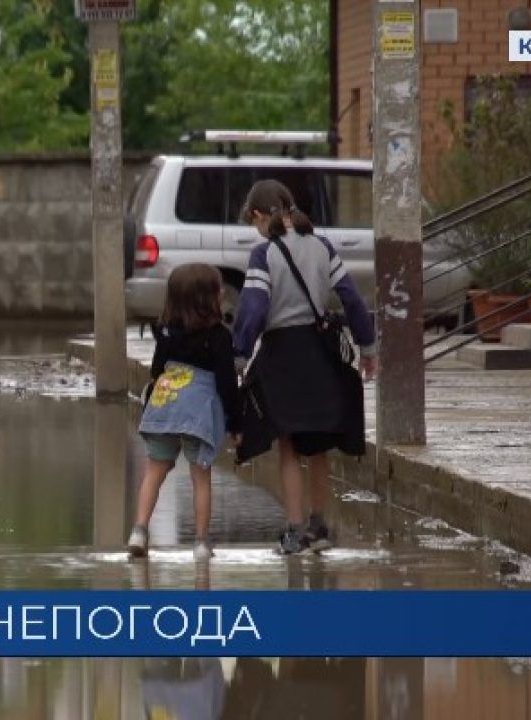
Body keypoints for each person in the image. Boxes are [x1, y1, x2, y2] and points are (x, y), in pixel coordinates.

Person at [232, 179, 376, 555]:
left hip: (283, 355)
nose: (257, 229)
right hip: (320, 351)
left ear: (260, 216)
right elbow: (351, 299)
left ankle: (294, 531)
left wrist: (240, 353)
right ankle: (319, 527)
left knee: (289, 447)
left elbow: (254, 307)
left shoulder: (264, 253)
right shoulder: (323, 246)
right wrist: (368, 344)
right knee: (319, 448)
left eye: (254, 222)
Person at [127, 263, 242, 561]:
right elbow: (227, 383)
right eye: (218, 292)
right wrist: (236, 422)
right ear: (209, 299)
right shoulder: (219, 337)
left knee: (154, 471)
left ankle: (139, 530)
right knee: (200, 477)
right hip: (196, 412)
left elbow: (156, 370)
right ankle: (201, 543)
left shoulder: (166, 333)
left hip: (165, 401)